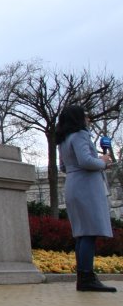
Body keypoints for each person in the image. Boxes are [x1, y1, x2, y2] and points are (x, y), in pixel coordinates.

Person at [55, 104, 117, 292]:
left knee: (82, 233)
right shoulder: (81, 135)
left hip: (73, 184)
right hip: (87, 186)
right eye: (86, 116)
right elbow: (86, 161)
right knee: (89, 232)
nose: (88, 119)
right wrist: (103, 162)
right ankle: (87, 277)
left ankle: (84, 276)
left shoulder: (63, 140)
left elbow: (63, 167)